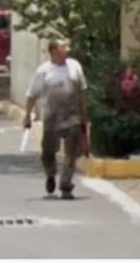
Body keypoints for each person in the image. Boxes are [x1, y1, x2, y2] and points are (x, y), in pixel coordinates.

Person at [23, 39, 89, 200]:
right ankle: (50, 174)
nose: (68, 49)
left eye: (68, 46)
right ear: (53, 50)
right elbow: (32, 94)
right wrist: (27, 115)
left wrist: (84, 115)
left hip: (72, 116)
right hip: (52, 118)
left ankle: (66, 185)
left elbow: (82, 91)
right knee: (48, 152)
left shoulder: (74, 66)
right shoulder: (43, 71)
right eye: (63, 46)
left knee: (72, 153)